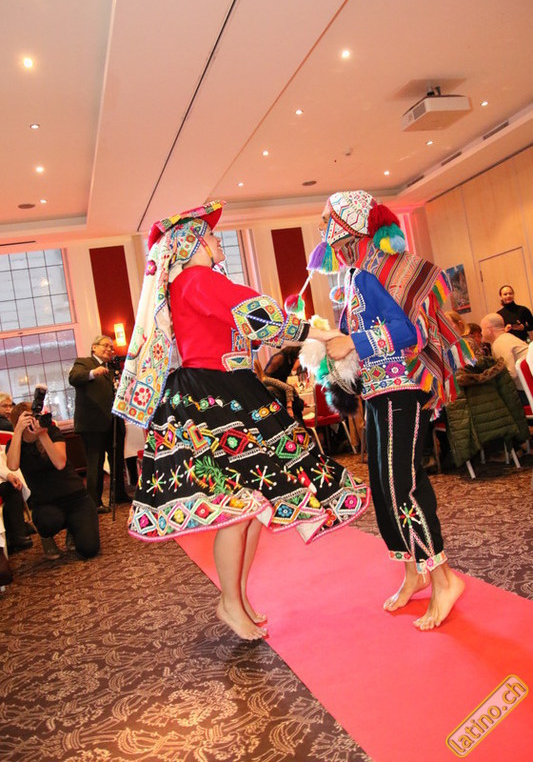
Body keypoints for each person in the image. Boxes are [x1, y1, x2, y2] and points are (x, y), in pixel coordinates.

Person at [113, 200, 369, 641]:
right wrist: (323, 333)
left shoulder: (193, 282)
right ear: (194, 244)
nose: (218, 241)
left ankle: (237, 597)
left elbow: (249, 323)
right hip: (214, 396)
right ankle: (230, 601)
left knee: (251, 507)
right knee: (238, 508)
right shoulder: (196, 280)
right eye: (211, 235)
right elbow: (258, 315)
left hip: (227, 389)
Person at [310, 190, 471, 631]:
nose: (322, 227)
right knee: (384, 489)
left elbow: (408, 332)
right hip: (378, 393)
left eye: (327, 219)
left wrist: (353, 341)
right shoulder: (354, 277)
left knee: (403, 485)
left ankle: (444, 579)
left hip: (402, 389)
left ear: (348, 226)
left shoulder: (370, 274)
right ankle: (413, 571)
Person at [6, 403, 100, 560]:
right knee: (49, 521)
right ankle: (47, 537)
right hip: (45, 503)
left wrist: (42, 434)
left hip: (76, 497)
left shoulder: (51, 432)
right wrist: (17, 432)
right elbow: (12, 465)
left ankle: (73, 528)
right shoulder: (16, 444)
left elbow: (59, 463)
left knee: (89, 549)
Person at [69, 337, 129, 513]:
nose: (110, 349)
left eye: (112, 347)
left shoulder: (113, 368)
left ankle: (119, 494)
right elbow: (73, 378)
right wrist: (93, 373)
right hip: (92, 424)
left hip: (114, 422)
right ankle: (94, 502)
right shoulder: (84, 363)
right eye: (106, 346)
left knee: (117, 460)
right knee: (95, 462)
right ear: (94, 347)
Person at [480, 313, 529, 404]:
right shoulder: (508, 338)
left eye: (482, 329)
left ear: (489, 329)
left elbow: (511, 374)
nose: (481, 333)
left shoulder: (500, 343)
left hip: (526, 391)